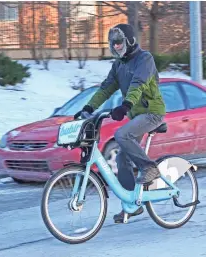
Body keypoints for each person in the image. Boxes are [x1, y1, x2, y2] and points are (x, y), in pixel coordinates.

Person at [74, 24, 166, 223]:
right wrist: (88, 108)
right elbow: (106, 88)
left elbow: (138, 84)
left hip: (152, 113)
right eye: (113, 43)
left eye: (119, 42)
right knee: (122, 159)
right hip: (136, 116)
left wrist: (125, 105)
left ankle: (150, 168)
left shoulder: (145, 59)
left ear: (130, 41)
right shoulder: (119, 65)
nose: (116, 46)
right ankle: (133, 204)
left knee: (121, 135)